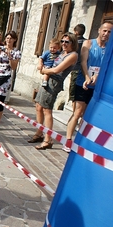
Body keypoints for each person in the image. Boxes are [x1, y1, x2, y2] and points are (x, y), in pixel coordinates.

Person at [62, 21, 112, 152]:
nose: (106, 34)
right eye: (104, 30)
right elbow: (84, 62)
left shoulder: (109, 48)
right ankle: (68, 140)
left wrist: (98, 76)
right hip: (82, 82)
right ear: (99, 30)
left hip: (97, 86)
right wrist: (87, 77)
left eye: (109, 32)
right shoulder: (88, 43)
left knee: (87, 115)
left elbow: (106, 66)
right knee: (77, 112)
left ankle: (80, 140)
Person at [28, 32, 78, 150]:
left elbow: (56, 70)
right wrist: (42, 64)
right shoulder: (61, 53)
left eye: (67, 42)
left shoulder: (72, 55)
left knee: (47, 110)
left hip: (54, 82)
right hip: (48, 79)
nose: (64, 44)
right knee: (39, 107)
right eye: (62, 41)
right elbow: (45, 58)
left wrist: (44, 71)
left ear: (73, 43)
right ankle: (40, 132)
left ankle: (48, 139)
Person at [68, 24, 86, 108]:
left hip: (75, 68)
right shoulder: (87, 42)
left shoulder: (74, 43)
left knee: (73, 92)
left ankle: (74, 111)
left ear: (76, 32)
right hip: (84, 70)